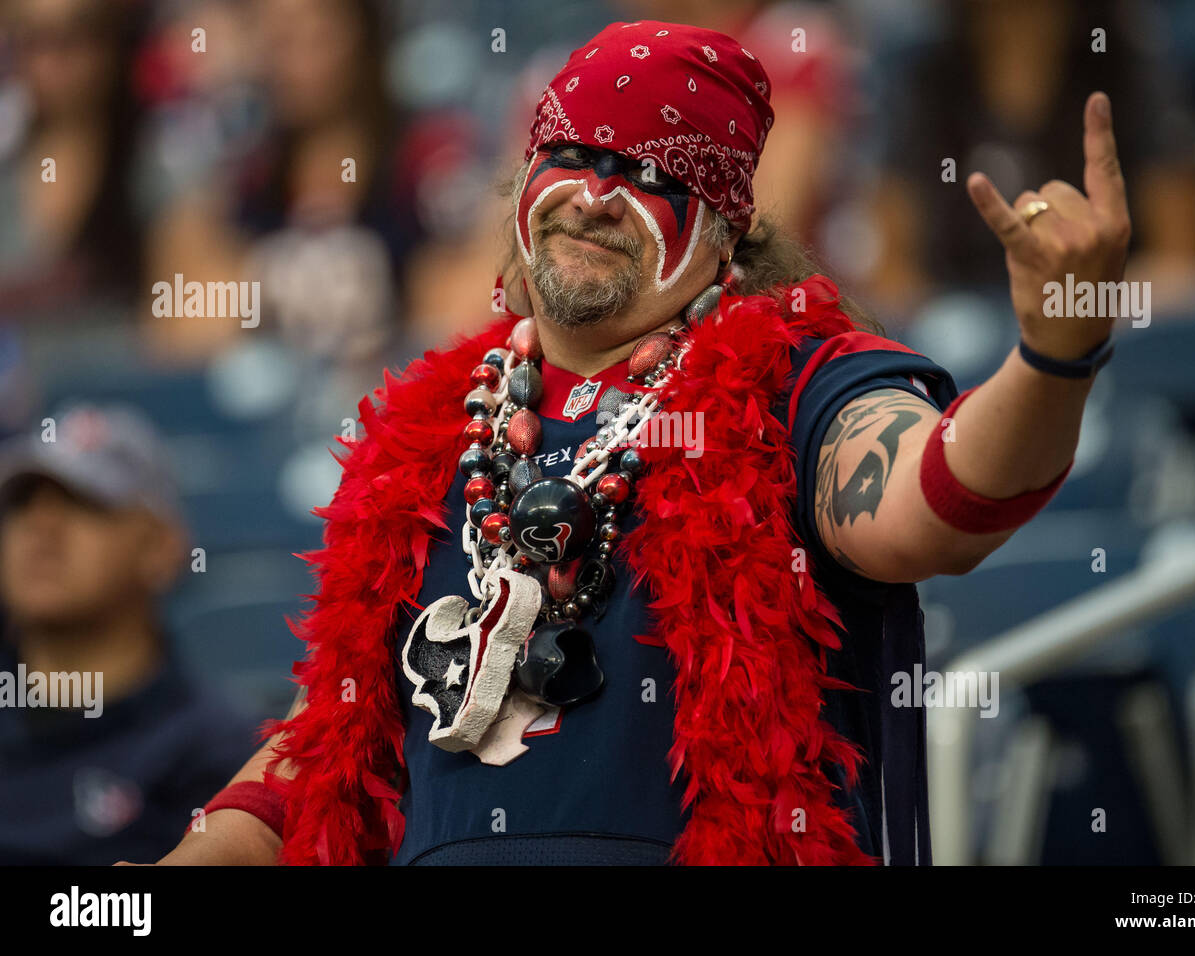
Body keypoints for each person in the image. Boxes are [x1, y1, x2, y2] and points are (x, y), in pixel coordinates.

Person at [136, 19, 1130, 866]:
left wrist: (1053, 351)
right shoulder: (428, 430)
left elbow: (932, 504)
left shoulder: (796, 382)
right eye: (572, 157)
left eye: (653, 171)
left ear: (726, 236)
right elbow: (332, 748)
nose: (596, 195)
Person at [0, 404, 258, 865]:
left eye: (86, 503)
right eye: (21, 503)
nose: (42, 525)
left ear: (162, 547)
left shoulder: (219, 757)